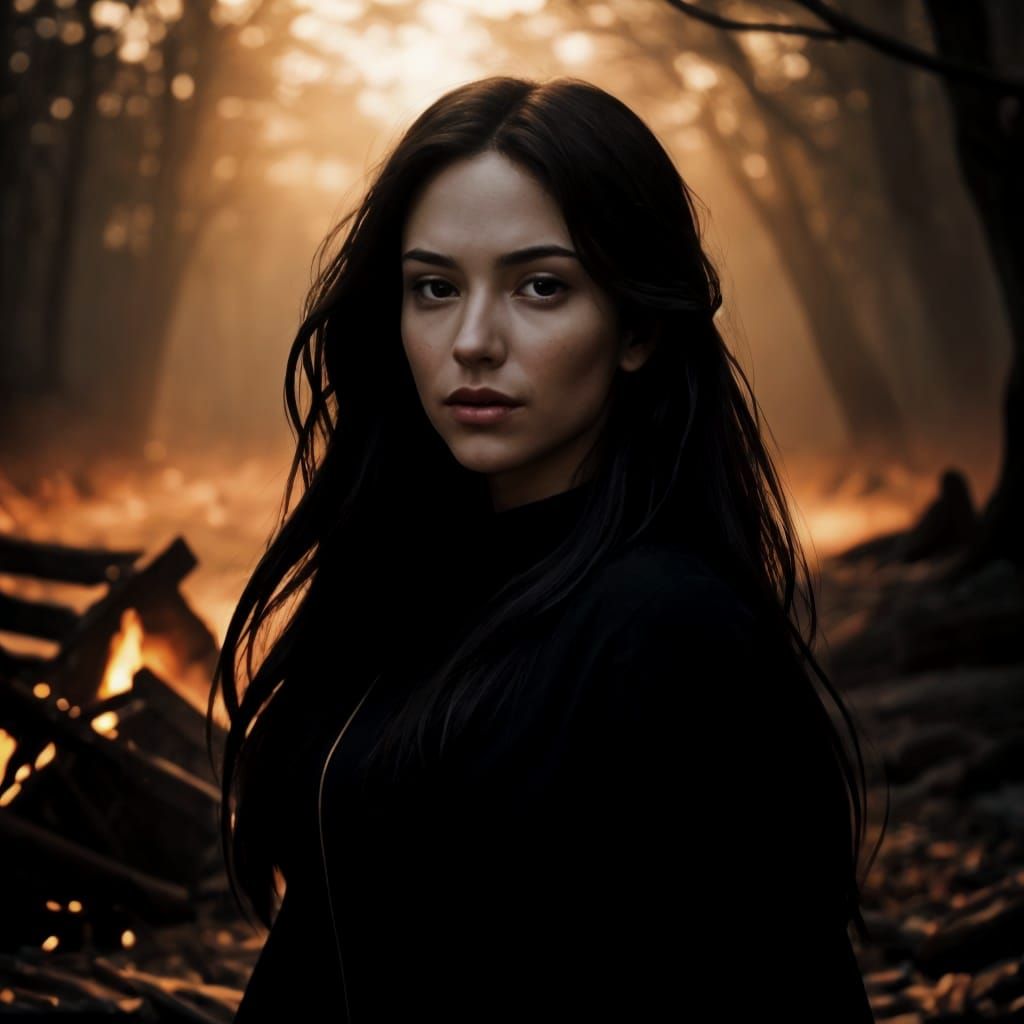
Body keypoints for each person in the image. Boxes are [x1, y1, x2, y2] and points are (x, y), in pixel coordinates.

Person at [211, 75, 887, 1022]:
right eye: (435, 289)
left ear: (638, 327)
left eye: (541, 287)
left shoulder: (664, 628)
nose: (474, 341)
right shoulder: (401, 590)